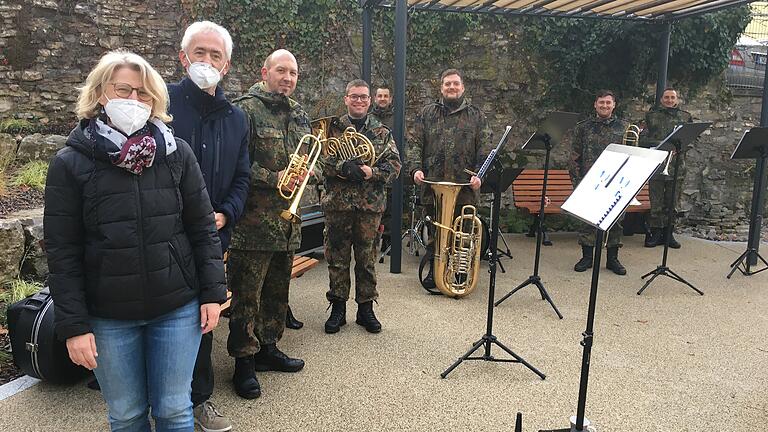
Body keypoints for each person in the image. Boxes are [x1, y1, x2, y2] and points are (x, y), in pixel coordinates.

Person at [44, 49, 226, 431]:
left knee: (176, 410)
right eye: (122, 90)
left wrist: (212, 293)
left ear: (156, 101)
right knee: (126, 415)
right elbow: (63, 251)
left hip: (177, 307)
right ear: (99, 95)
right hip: (108, 315)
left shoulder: (177, 154)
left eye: (143, 94)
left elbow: (202, 228)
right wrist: (74, 326)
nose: (133, 101)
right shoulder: (70, 163)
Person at [168, 21, 249, 432]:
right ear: (183, 57)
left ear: (227, 65)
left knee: (205, 316)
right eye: (199, 53)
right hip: (162, 235)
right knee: (161, 315)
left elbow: (242, 177)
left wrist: (226, 214)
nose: (206, 61)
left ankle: (199, 400)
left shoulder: (236, 119)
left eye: (215, 55)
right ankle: (159, 398)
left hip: (212, 235)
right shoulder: (158, 104)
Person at [227, 49, 307, 399]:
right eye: (281, 71)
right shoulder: (245, 109)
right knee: (247, 297)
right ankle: (243, 363)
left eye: (292, 72)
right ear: (265, 71)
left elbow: (309, 156)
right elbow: (235, 161)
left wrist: (308, 172)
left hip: (287, 224)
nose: (287, 78)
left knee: (277, 293)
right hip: (254, 224)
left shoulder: (299, 113)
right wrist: (275, 177)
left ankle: (268, 348)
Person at [322, 79, 401, 334]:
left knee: (366, 259)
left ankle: (366, 309)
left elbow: (395, 166)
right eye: (354, 96)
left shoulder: (381, 131)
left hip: (369, 206)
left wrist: (372, 172)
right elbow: (320, 160)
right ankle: (338, 308)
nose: (359, 101)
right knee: (337, 258)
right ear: (346, 99)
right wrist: (341, 167)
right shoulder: (332, 128)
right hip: (338, 206)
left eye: (363, 97)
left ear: (369, 101)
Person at [408, 68, 492, 288]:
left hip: (464, 186)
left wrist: (480, 176)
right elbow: (414, 143)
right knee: (435, 232)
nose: (451, 87)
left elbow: (485, 149)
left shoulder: (477, 116)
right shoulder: (427, 113)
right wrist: (416, 169)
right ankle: (435, 272)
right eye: (447, 84)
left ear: (463, 87)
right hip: (434, 185)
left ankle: (460, 272)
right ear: (441, 88)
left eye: (455, 83)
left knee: (463, 235)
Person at [566, 89, 628, 275]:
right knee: (588, 221)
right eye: (601, 102)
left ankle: (612, 259)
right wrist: (578, 183)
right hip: (589, 181)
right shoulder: (582, 128)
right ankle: (587, 258)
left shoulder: (624, 128)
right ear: (595, 104)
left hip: (616, 181)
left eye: (608, 103)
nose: (604, 106)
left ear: (614, 105)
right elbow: (574, 157)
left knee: (615, 221)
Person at [640, 87, 693, 249]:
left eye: (672, 97)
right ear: (662, 99)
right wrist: (661, 145)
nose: (669, 100)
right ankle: (656, 233)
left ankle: (668, 233)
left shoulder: (685, 117)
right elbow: (642, 139)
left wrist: (679, 148)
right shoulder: (651, 116)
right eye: (666, 97)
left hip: (677, 167)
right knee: (656, 202)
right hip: (657, 166)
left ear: (677, 100)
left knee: (672, 203)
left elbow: (691, 139)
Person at [370, 85, 394, 254]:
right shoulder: (369, 118)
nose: (383, 98)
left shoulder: (396, 118)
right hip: (371, 170)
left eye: (386, 96)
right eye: (380, 96)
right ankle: (373, 240)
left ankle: (388, 240)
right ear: (375, 98)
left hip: (387, 170)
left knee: (390, 208)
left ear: (390, 99)